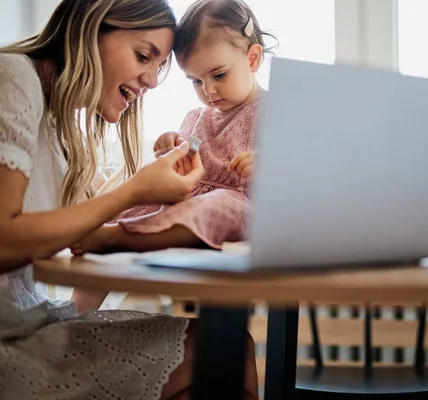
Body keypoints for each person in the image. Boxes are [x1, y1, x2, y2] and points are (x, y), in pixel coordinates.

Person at [0, 0, 259, 399]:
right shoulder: (14, 77)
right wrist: (136, 191)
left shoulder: (53, 125)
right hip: (13, 342)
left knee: (230, 351)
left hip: (28, 324)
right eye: (143, 55)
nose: (154, 81)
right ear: (91, 26)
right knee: (226, 353)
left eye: (159, 66)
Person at [71, 0, 276, 255]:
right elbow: (185, 164)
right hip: (188, 201)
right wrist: (173, 147)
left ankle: (115, 238)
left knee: (217, 206)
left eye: (219, 75)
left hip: (239, 208)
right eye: (195, 81)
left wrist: (271, 167)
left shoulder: (274, 112)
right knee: (140, 208)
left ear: (252, 59)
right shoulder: (197, 118)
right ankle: (101, 246)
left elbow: (306, 176)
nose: (208, 90)